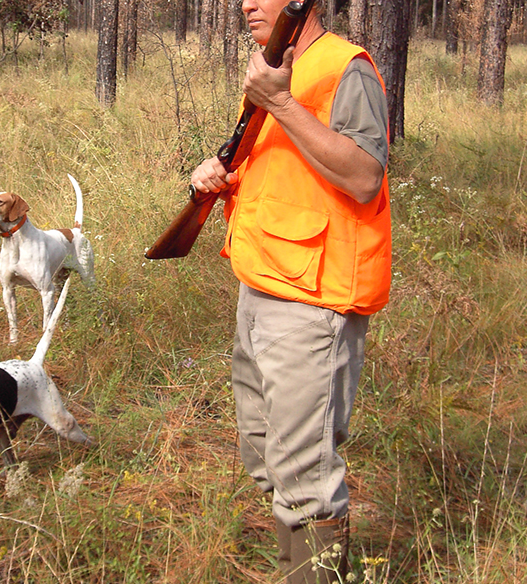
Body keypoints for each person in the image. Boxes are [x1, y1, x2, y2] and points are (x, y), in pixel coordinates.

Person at [190, 1, 391, 582]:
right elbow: (282, 168)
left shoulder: (344, 67)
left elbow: (362, 176)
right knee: (263, 450)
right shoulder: (273, 66)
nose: (246, 3)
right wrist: (219, 173)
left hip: (313, 301)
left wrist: (279, 101)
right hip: (261, 285)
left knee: (304, 477)